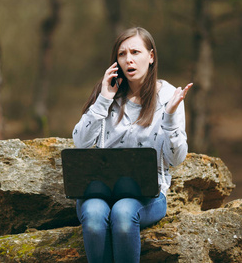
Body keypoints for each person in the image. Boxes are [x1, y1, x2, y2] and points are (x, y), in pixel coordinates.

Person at [72, 27, 192, 263]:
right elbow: (80, 142)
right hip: (101, 191)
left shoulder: (169, 96)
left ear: (151, 56)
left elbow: (176, 159)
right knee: (94, 215)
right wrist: (103, 99)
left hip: (147, 195)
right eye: (122, 54)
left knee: (123, 213)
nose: (129, 59)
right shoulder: (107, 92)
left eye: (135, 52)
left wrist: (168, 118)